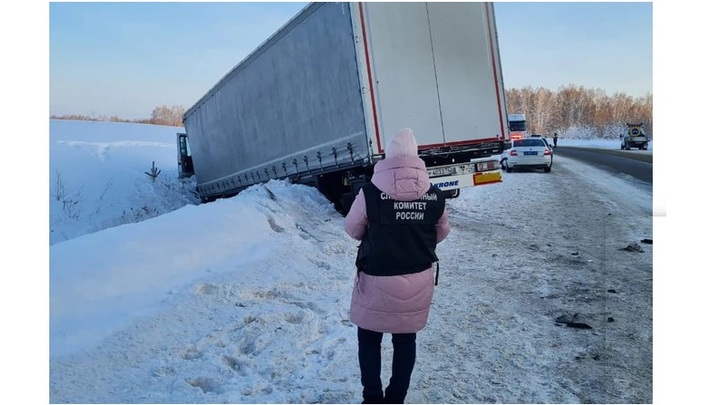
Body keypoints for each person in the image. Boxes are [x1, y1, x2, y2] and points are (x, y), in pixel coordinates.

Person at [344, 128, 451, 404]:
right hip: (417, 281)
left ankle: (372, 398)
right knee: (405, 342)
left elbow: (352, 230)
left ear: (387, 158)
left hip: (375, 281)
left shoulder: (369, 194)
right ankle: (396, 398)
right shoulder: (435, 196)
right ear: (416, 158)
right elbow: (440, 233)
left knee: (368, 340)